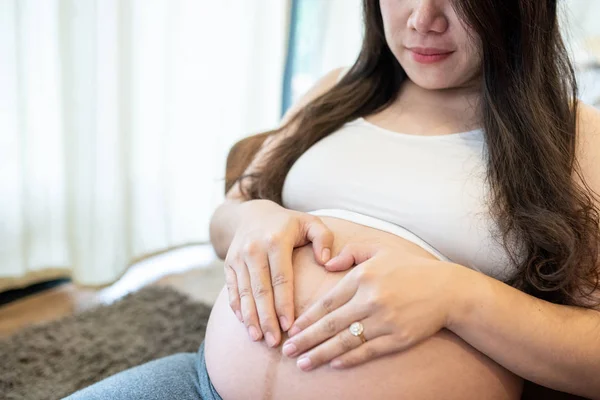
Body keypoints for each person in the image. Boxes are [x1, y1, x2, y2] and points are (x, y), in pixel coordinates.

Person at [65, 0, 600, 399]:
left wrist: (459, 296)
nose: (423, 18)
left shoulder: (576, 137)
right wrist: (253, 216)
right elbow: (225, 220)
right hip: (203, 385)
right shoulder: (334, 91)